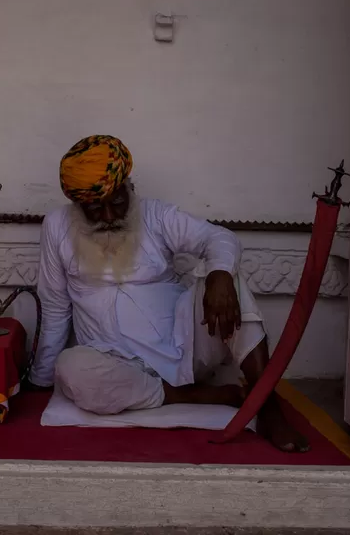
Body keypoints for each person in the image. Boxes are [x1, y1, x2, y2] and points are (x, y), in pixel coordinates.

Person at [27, 135, 309, 452]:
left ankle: (266, 404)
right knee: (71, 368)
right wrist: (41, 378)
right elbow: (55, 306)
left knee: (229, 279)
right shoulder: (57, 226)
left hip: (183, 349)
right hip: (114, 361)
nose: (108, 217)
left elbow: (219, 238)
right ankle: (195, 396)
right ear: (77, 206)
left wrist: (219, 274)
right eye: (95, 208)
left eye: (117, 203)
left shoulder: (156, 215)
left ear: (130, 188)